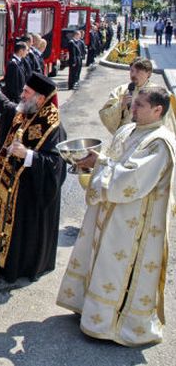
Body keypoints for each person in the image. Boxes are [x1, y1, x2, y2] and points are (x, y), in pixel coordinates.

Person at [57, 87, 176, 346]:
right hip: (109, 212)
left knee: (116, 269)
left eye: (139, 106)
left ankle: (114, 325)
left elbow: (131, 180)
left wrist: (99, 164)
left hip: (133, 224)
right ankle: (90, 311)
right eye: (133, 104)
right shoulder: (127, 129)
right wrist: (95, 160)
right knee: (98, 261)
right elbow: (113, 159)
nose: (132, 110)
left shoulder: (160, 142)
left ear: (158, 110)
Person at [0, 71, 67, 283]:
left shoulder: (53, 125)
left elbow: (56, 164)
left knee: (21, 234)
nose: (22, 95)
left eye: (27, 92)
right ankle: (1, 262)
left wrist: (28, 155)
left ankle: (19, 268)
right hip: (8, 185)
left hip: (29, 193)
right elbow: (7, 107)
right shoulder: (26, 110)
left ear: (40, 98)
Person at [98, 58, 155, 134]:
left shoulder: (157, 93)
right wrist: (120, 105)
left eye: (138, 71)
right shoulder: (120, 90)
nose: (133, 75)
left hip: (147, 138)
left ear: (148, 73)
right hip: (124, 137)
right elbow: (105, 115)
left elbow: (167, 123)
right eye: (131, 71)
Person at [0, 42, 29, 148]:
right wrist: (17, 99)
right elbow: (12, 84)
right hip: (14, 98)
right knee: (10, 122)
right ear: (21, 51)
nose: (27, 52)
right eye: (26, 50)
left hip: (19, 97)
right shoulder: (13, 64)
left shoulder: (19, 62)